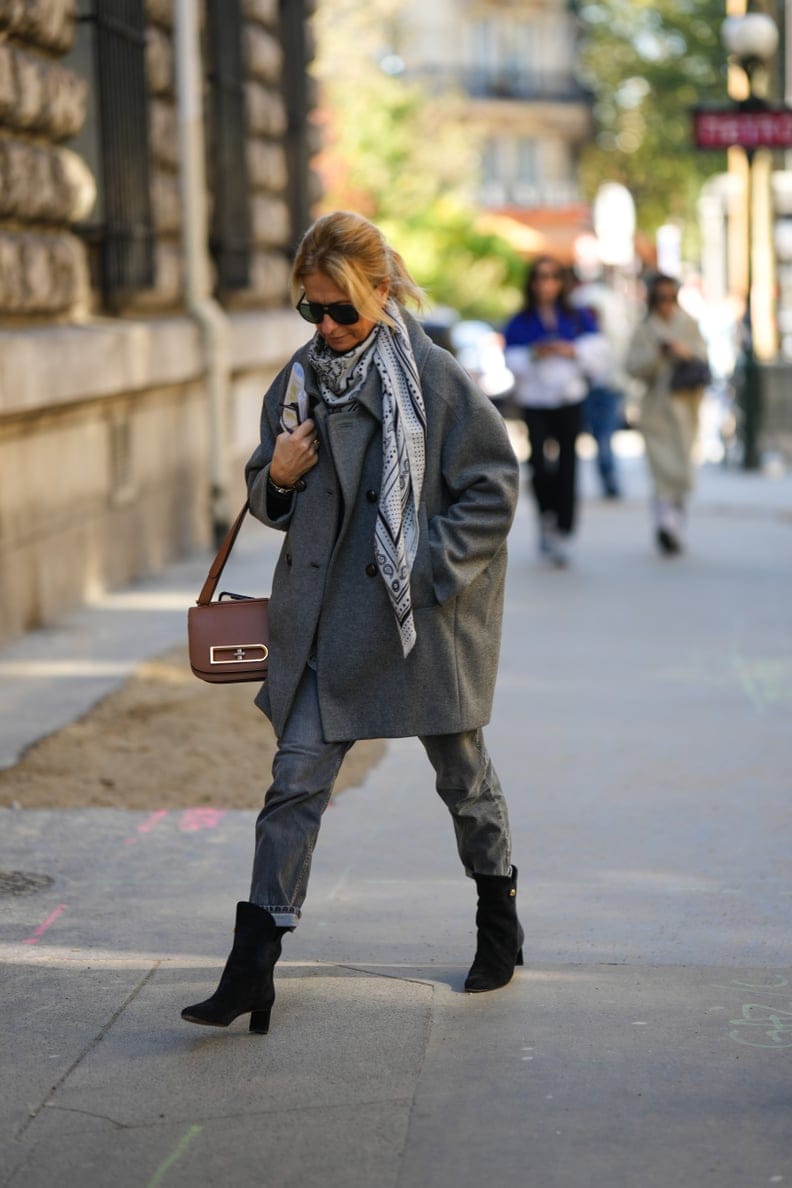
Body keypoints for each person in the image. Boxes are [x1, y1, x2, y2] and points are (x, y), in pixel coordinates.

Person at [181, 211, 523, 1035]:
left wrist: (427, 568)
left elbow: (493, 485)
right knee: (294, 781)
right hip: (327, 622)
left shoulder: (432, 377)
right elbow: (269, 498)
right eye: (313, 309)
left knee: (463, 779)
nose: (327, 326)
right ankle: (253, 962)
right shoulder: (298, 380)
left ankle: (497, 912)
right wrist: (281, 474)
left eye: (342, 309)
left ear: (378, 294)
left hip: (420, 622)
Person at [503, 256, 607, 566]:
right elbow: (512, 359)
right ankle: (546, 518)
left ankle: (564, 529)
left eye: (551, 277)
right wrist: (536, 353)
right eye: (539, 277)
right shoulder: (521, 321)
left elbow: (598, 352)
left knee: (567, 464)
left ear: (560, 282)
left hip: (568, 398)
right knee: (538, 463)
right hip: (535, 399)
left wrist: (569, 350)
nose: (545, 283)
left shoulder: (577, 317)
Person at [625, 274, 709, 555]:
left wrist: (683, 351)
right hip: (655, 409)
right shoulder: (643, 329)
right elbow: (632, 367)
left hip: (686, 407)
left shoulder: (689, 324)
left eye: (669, 296)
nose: (665, 303)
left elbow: (703, 359)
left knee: (682, 468)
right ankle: (666, 523)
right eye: (660, 297)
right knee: (661, 469)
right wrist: (657, 355)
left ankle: (675, 516)